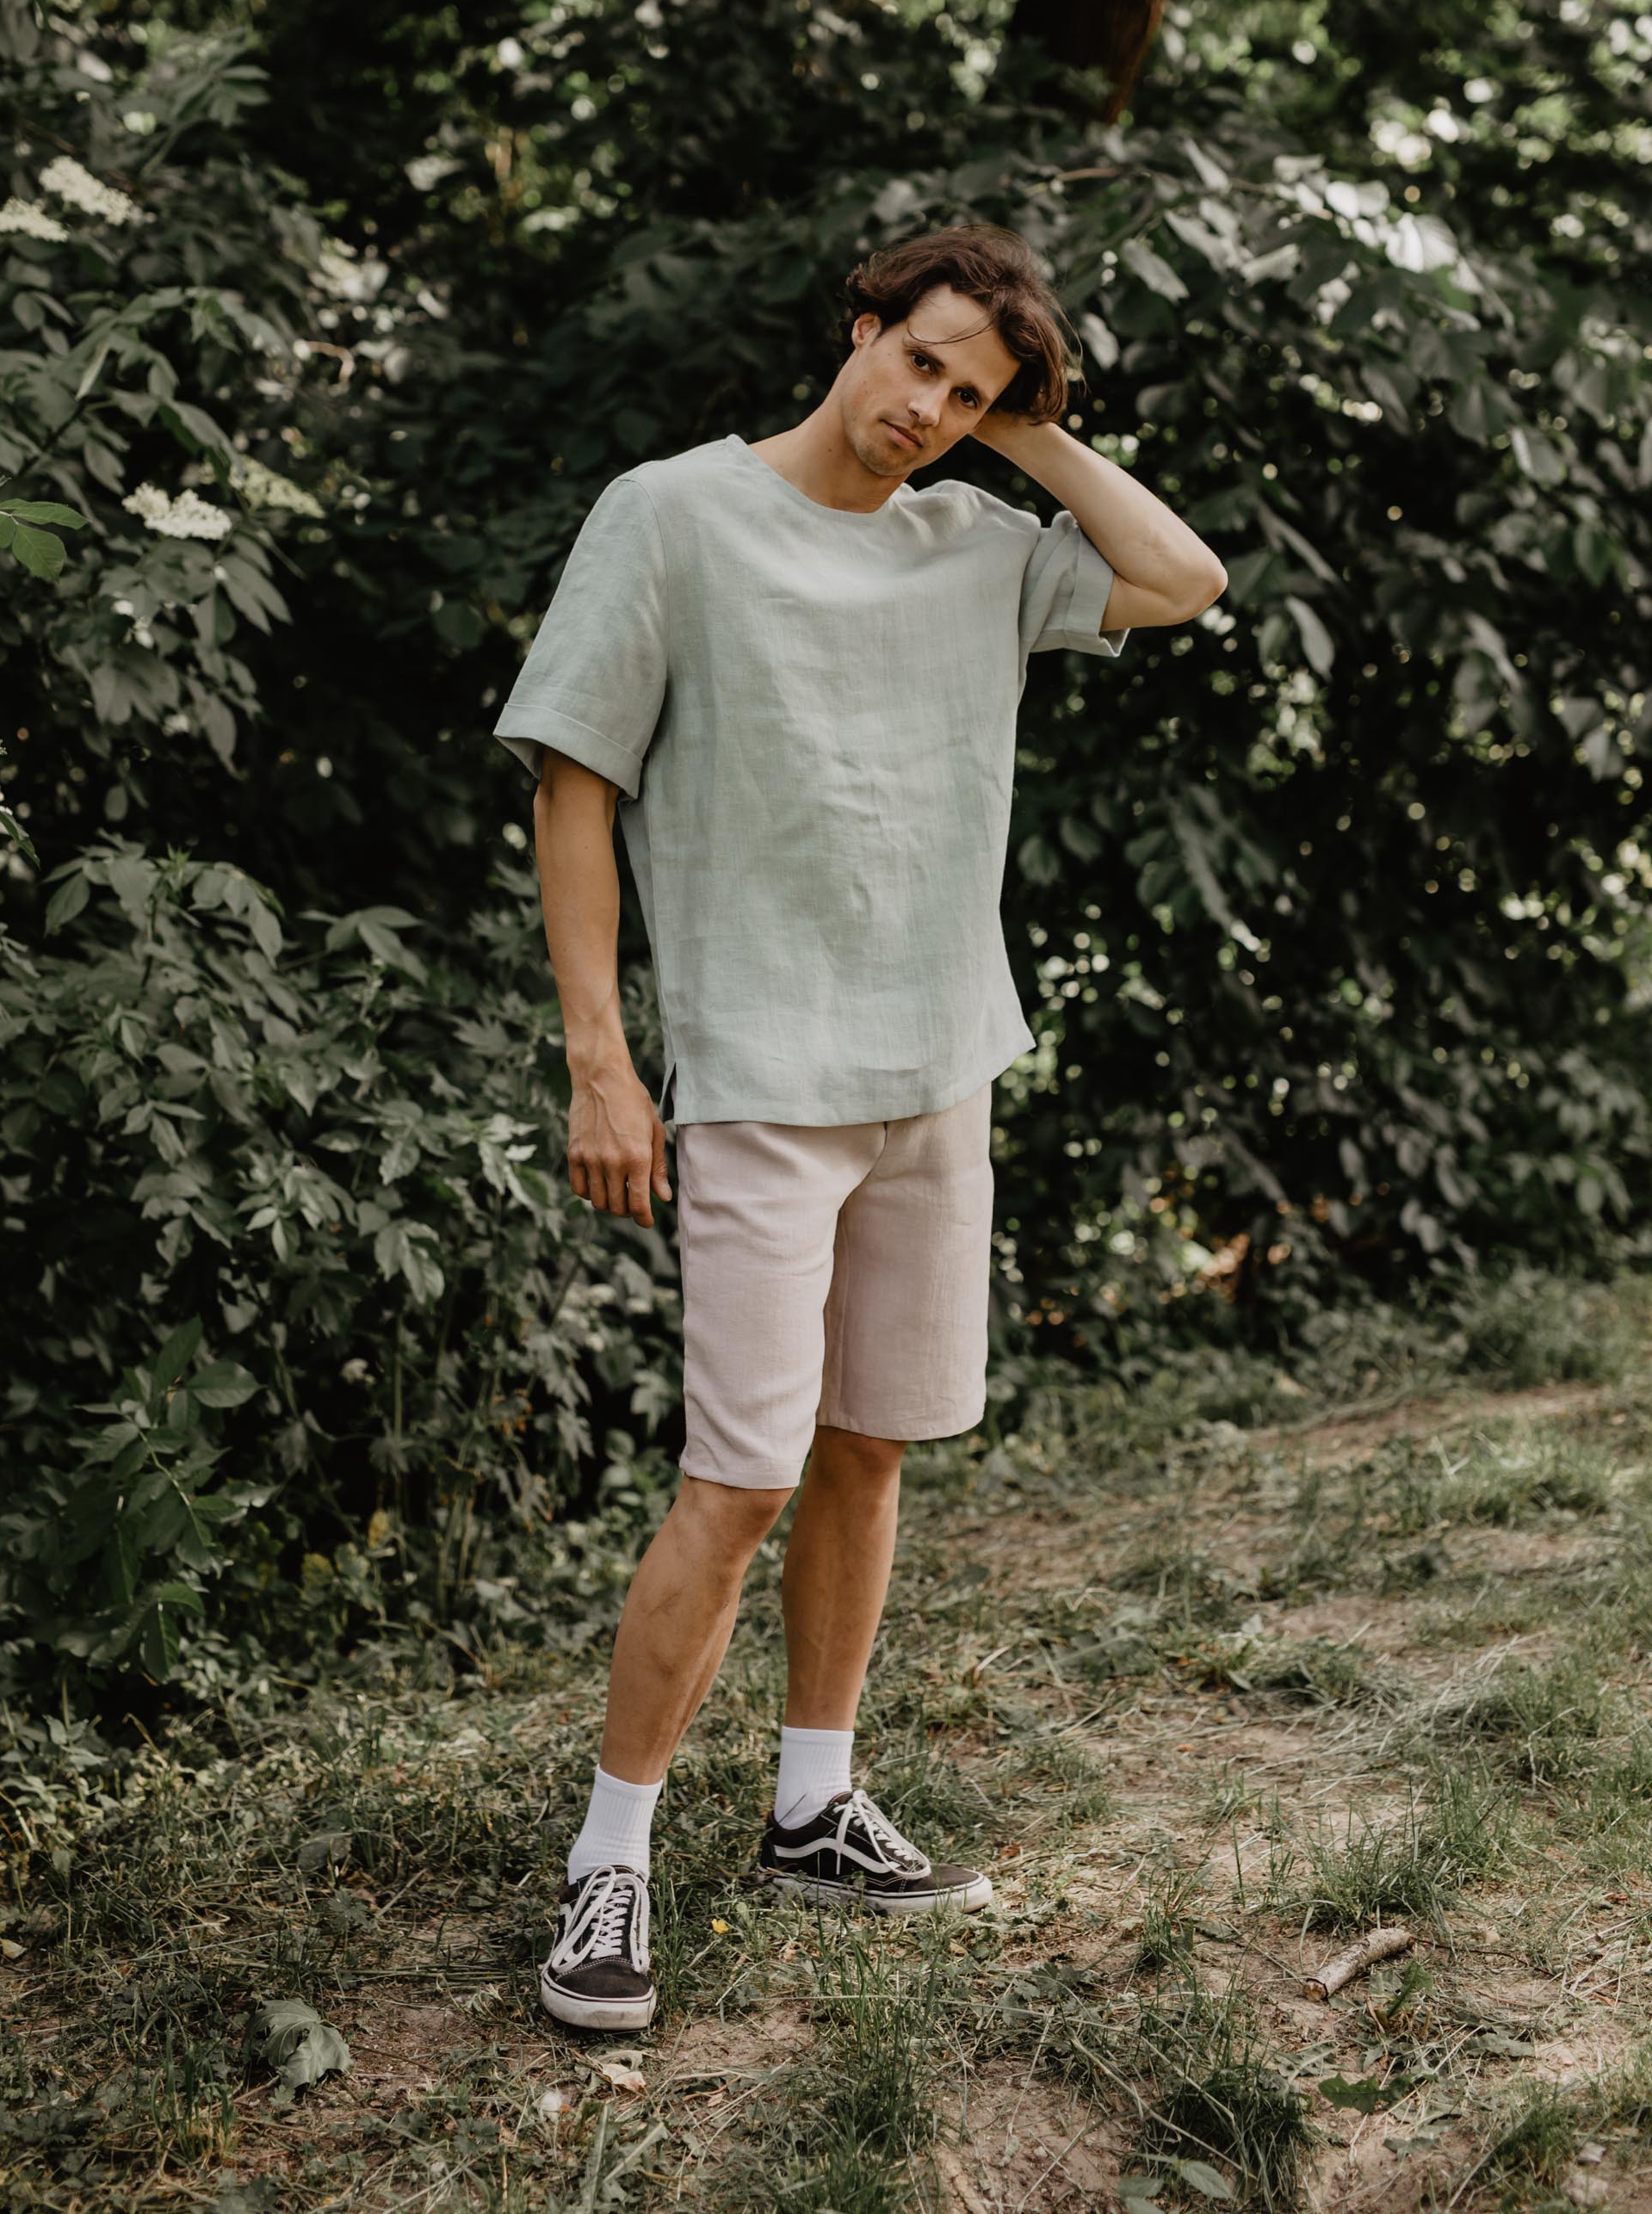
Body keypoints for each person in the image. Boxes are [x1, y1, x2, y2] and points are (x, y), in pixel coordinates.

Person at [492, 223, 1227, 2031]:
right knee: (737, 1478)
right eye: (920, 363)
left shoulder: (977, 544)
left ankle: (811, 1800)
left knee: (872, 1447)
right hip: (757, 1076)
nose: (929, 410)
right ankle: (609, 1864)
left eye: (967, 392)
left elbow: (1182, 576)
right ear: (859, 327)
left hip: (933, 1067)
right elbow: (573, 783)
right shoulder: (671, 517)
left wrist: (1031, 434)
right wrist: (604, 1060)